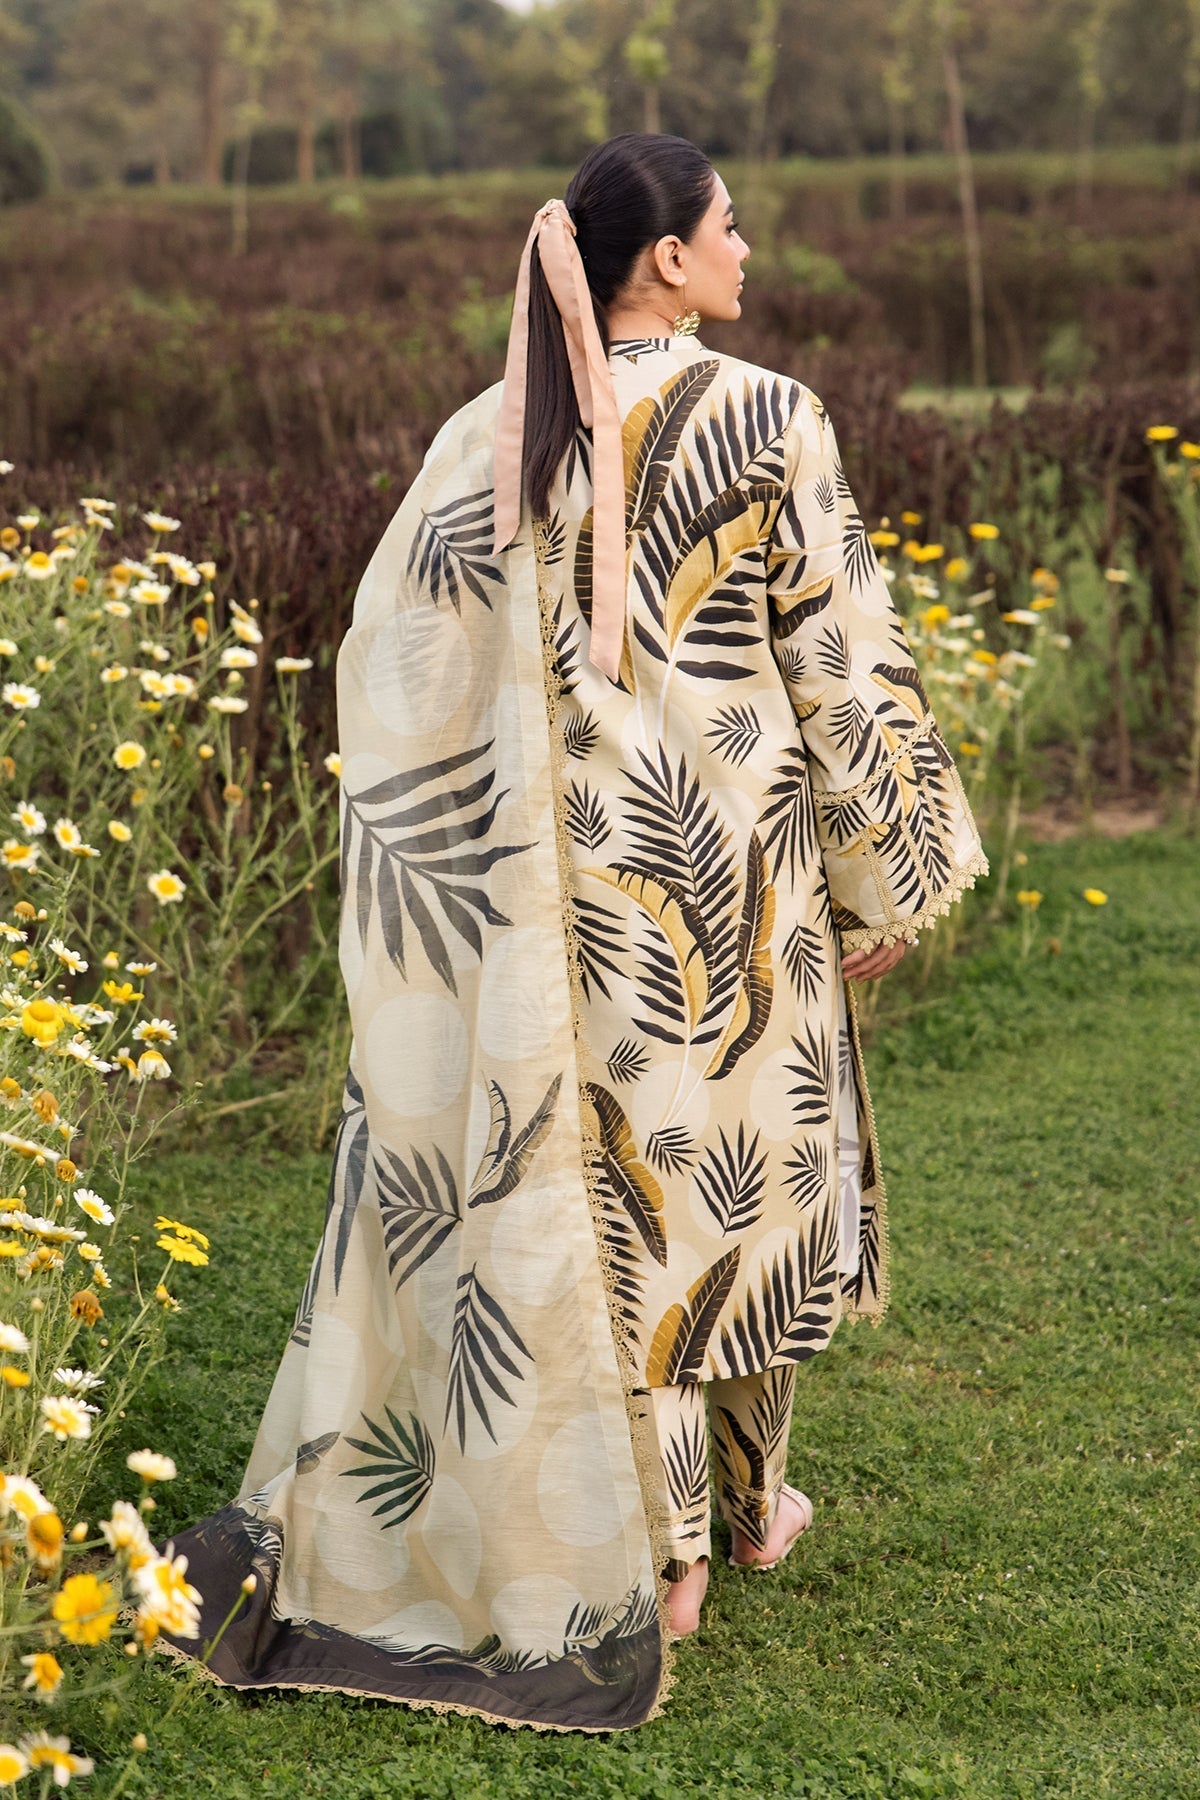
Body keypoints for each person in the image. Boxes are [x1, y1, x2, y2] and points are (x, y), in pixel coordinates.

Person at [160, 133, 987, 1733]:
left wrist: (464, 870)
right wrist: (886, 870)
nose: (747, 248)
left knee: (623, 1194)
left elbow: (399, 654)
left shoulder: (495, 431)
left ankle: (678, 1547)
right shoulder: (769, 414)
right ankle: (724, 1523)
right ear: (665, 257)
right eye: (730, 225)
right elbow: (837, 661)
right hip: (734, 870)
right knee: (738, 1187)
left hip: (563, 895)